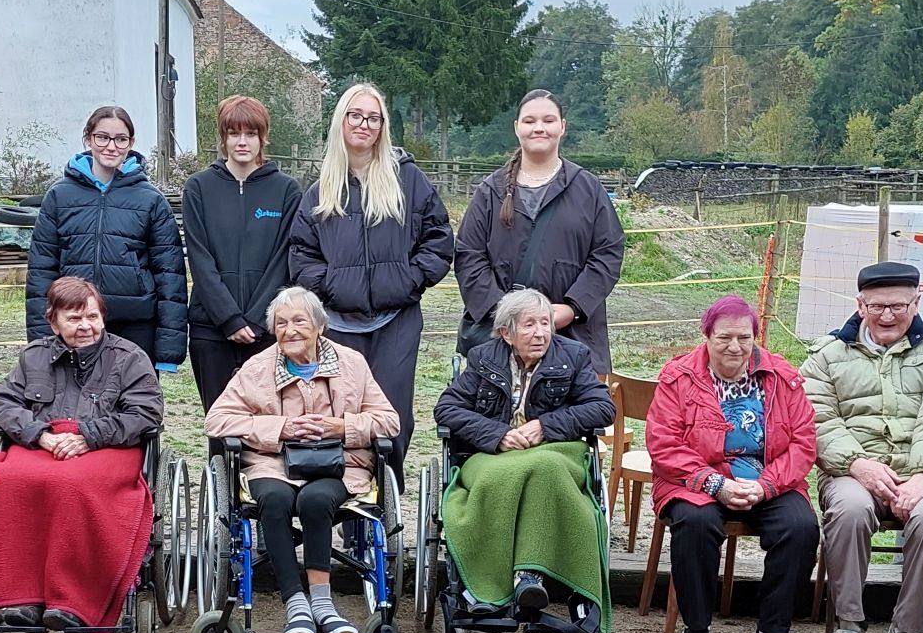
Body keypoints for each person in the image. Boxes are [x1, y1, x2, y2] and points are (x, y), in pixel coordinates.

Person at [205, 285, 401, 633]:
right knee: (274, 501)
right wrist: (280, 428)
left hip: (339, 464)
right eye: (281, 323)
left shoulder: (351, 364)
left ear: (320, 326)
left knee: (315, 501)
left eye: (299, 321)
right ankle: (296, 605)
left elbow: (389, 421)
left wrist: (344, 427)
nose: (290, 330)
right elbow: (216, 421)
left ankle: (324, 606)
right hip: (271, 463)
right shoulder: (258, 368)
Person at [803, 261, 923, 633]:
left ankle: (909, 629)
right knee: (851, 512)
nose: (888, 315)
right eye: (877, 306)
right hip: (851, 467)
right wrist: (857, 464)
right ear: (860, 305)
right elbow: (818, 418)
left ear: (918, 301)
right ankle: (849, 628)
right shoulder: (826, 354)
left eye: (899, 305)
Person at [0, 277, 164, 633]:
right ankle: (21, 597)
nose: (86, 326)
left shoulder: (128, 358)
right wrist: (40, 436)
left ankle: (73, 599)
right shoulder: (34, 357)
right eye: (74, 319)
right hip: (45, 442)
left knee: (73, 485)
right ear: (53, 322)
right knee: (12, 480)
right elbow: (3, 402)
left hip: (109, 446)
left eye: (92, 316)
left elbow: (146, 414)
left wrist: (89, 436)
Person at [648, 295, 820, 633]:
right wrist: (714, 484)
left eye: (745, 337)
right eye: (725, 337)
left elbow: (804, 441)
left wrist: (766, 485)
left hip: (766, 479)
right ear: (706, 335)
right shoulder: (679, 377)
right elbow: (663, 445)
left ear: (755, 336)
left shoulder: (781, 377)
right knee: (695, 523)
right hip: (695, 480)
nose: (735, 346)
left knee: (801, 527)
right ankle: (695, 629)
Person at [284, 83, 452, 470]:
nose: (364, 124)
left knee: (391, 416)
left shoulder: (407, 180)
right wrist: (328, 287)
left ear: (383, 126)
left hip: (396, 321)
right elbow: (301, 253)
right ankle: (348, 493)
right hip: (339, 323)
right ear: (341, 121)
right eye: (355, 115)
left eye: (373, 118)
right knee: (341, 412)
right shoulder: (320, 190)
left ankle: (384, 501)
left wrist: (409, 280)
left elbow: (438, 239)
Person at [431, 287, 616, 633]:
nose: (541, 333)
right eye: (529, 325)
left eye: (545, 323)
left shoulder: (573, 356)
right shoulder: (484, 357)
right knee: (501, 476)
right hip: (492, 454)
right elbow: (447, 408)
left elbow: (603, 407)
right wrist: (496, 434)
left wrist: (545, 426)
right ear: (506, 332)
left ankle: (528, 577)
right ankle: (493, 584)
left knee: (543, 469)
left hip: (554, 453)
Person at [453, 89, 625, 372]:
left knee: (569, 417)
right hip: (502, 338)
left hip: (573, 337)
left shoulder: (588, 189)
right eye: (530, 120)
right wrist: (507, 315)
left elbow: (608, 253)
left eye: (548, 120)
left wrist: (572, 308)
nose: (539, 128)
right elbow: (469, 256)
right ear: (517, 127)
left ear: (562, 126)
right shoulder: (490, 191)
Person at [28, 105, 186, 373]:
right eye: (102, 137)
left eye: (120, 139)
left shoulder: (150, 200)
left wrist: (169, 350)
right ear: (88, 138)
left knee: (134, 406)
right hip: (76, 322)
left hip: (135, 324)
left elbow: (170, 275)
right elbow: (41, 270)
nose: (111, 146)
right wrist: (41, 341)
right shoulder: (59, 196)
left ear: (130, 143)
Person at [183, 94, 302, 408]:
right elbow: (200, 259)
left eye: (250, 134)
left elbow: (284, 260)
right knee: (221, 421)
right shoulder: (199, 189)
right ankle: (218, 461)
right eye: (234, 133)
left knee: (268, 421)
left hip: (268, 330)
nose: (242, 142)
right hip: (211, 328)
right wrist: (230, 319)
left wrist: (256, 320)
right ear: (222, 137)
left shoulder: (287, 191)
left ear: (263, 137)